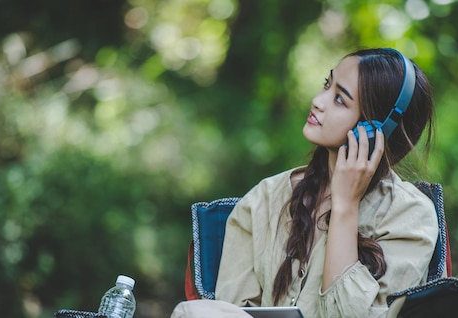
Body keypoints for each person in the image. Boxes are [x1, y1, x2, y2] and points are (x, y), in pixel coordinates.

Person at [172, 47, 438, 318]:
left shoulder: (411, 216)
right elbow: (230, 310)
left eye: (339, 100)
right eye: (327, 84)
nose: (318, 101)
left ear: (375, 131)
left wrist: (346, 205)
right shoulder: (265, 198)